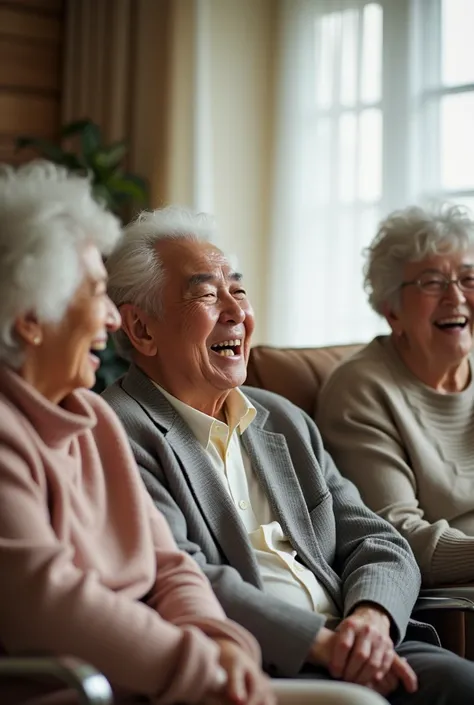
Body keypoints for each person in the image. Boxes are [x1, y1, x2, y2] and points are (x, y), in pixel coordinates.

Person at [103, 205, 474, 705]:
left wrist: (371, 616)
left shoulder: (282, 418)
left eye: (238, 290)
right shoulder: (117, 432)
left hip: (365, 644)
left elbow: (377, 539)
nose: (236, 312)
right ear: (142, 330)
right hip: (255, 664)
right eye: (208, 295)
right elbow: (182, 577)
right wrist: (321, 644)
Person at [0, 162, 278, 705]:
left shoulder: (92, 419)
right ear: (31, 319)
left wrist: (217, 639)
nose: (111, 319)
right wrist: (200, 666)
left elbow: (168, 564)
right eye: (95, 294)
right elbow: (47, 603)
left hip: (160, 683)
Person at [317, 204, 474, 588]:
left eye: (468, 278)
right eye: (431, 282)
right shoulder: (361, 390)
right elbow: (397, 534)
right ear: (393, 312)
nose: (456, 296)